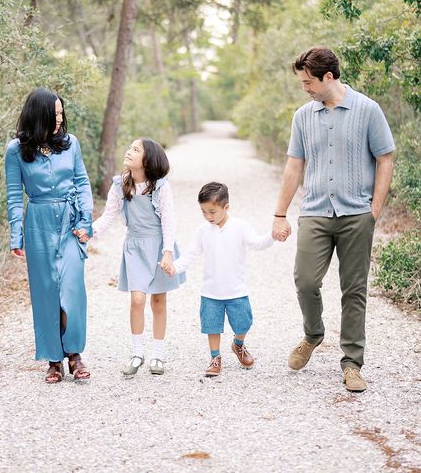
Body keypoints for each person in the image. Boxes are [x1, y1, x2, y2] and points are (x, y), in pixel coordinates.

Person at [272, 46, 395, 392]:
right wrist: (280, 213)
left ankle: (352, 363)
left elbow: (385, 158)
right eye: (301, 82)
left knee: (353, 290)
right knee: (306, 281)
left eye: (308, 82)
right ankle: (313, 334)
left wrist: (374, 211)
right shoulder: (303, 116)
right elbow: (294, 166)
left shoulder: (368, 110)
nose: (305, 88)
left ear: (329, 77)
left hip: (357, 214)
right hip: (314, 212)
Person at [5, 87, 93, 383]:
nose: (59, 120)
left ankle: (74, 353)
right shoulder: (15, 151)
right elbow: (15, 196)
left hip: (70, 224)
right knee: (45, 293)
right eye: (53, 114)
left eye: (61, 114)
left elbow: (82, 183)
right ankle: (53, 359)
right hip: (38, 223)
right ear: (38, 115)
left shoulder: (71, 144)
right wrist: (16, 236)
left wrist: (86, 221)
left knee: (71, 288)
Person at [162, 182, 283, 378]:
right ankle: (215, 357)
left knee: (244, 323)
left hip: (237, 290)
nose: (208, 217)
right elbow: (190, 255)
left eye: (212, 211)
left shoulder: (240, 227)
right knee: (212, 326)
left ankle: (238, 344)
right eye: (203, 212)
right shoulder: (202, 231)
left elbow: (258, 244)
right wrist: (174, 268)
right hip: (211, 291)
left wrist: (273, 236)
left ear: (226, 207)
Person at [92, 138, 185, 377]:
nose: (129, 151)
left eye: (136, 150)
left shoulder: (161, 186)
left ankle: (158, 354)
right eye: (130, 148)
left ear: (148, 160)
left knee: (158, 302)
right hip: (134, 245)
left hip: (158, 247)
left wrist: (167, 252)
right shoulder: (120, 184)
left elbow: (168, 220)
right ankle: (137, 352)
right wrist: (88, 232)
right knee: (136, 300)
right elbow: (107, 217)